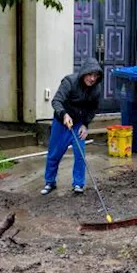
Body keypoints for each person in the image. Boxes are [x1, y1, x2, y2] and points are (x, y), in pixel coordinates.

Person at [43, 57, 104, 196]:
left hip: (78, 125)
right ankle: (50, 182)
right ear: (84, 73)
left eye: (95, 76)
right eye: (90, 74)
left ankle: (78, 184)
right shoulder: (69, 82)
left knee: (80, 154)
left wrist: (85, 124)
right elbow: (56, 101)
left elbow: (93, 108)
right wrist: (64, 114)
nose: (92, 79)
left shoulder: (96, 89)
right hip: (61, 123)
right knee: (54, 154)